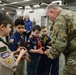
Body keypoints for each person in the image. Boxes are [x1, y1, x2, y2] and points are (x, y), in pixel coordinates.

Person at [44, 3, 76, 75]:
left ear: (52, 12)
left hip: (74, 53)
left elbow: (60, 43)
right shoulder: (70, 13)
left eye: (49, 16)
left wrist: (50, 52)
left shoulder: (60, 19)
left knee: (69, 72)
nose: (50, 20)